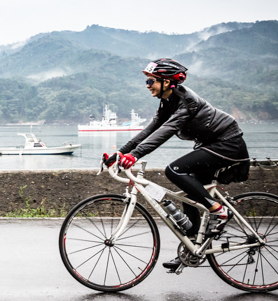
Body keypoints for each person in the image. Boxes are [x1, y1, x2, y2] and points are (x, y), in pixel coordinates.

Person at [103, 58, 250, 271]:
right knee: (190, 193)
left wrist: (135, 156)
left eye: (151, 81)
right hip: (210, 144)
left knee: (174, 170)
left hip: (227, 144)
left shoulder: (187, 101)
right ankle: (192, 249)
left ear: (167, 82)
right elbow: (149, 131)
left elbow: (165, 132)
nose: (147, 86)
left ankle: (219, 211)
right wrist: (120, 153)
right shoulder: (167, 101)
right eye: (147, 81)